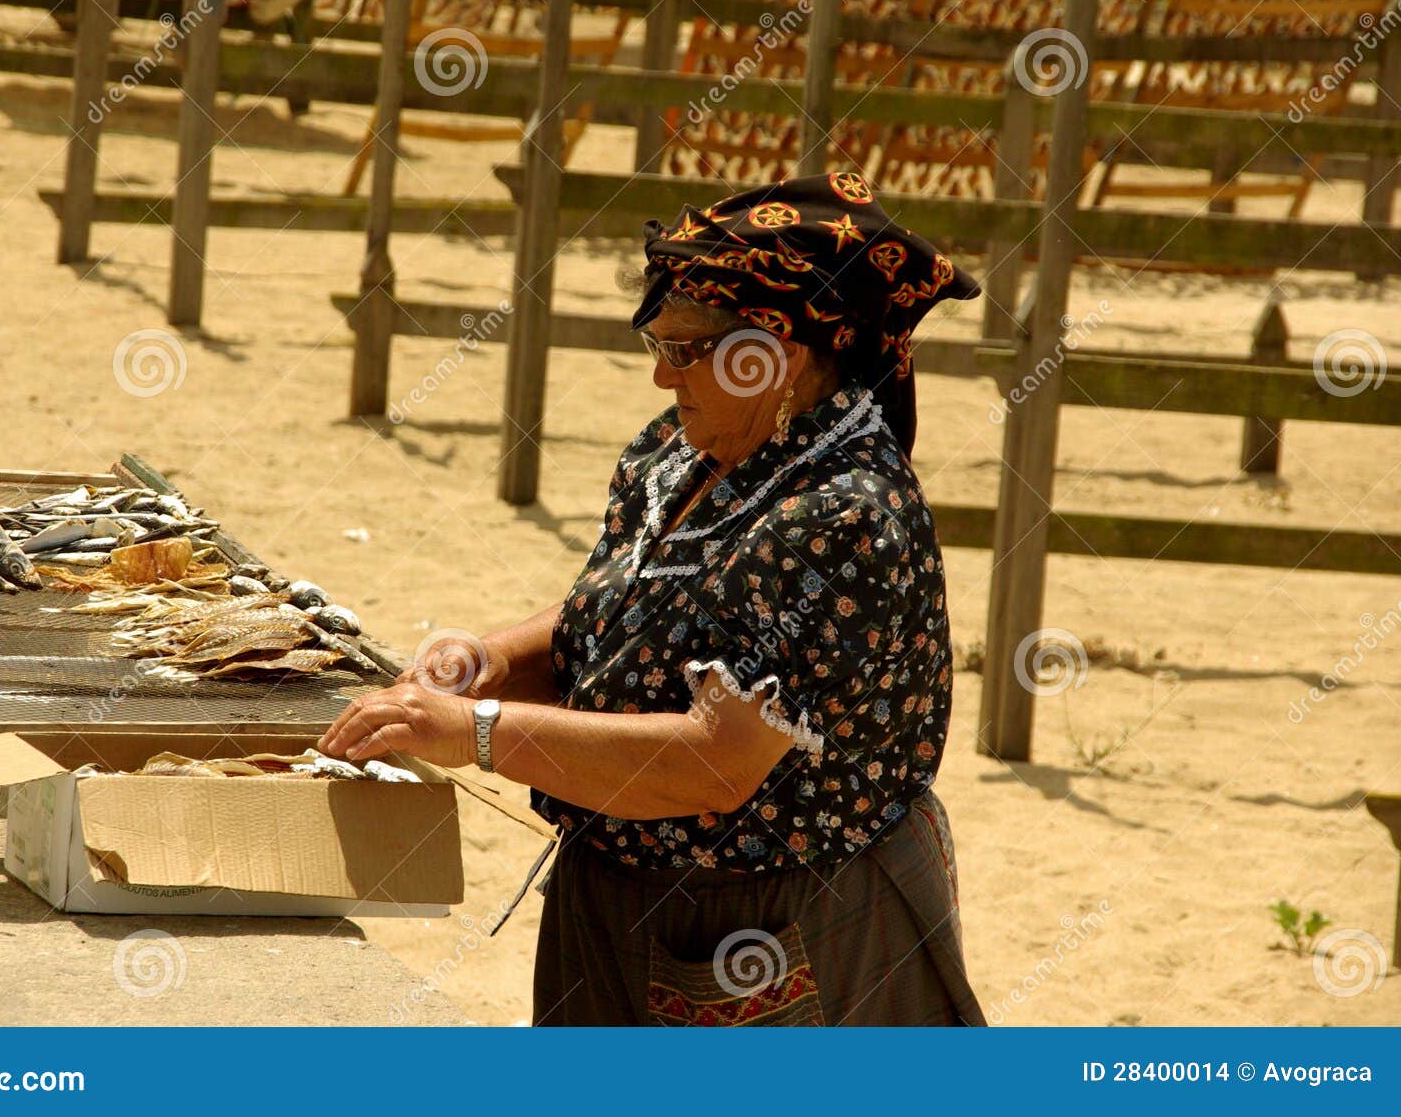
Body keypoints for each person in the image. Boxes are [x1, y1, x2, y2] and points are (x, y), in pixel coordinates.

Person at [322, 173, 985, 1026]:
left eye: (682, 350)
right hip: (623, 904)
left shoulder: (843, 518)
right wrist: (491, 662)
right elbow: (620, 609)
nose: (661, 380)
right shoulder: (676, 451)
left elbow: (717, 760)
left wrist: (479, 733)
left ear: (773, 354)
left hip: (776, 926)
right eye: (657, 346)